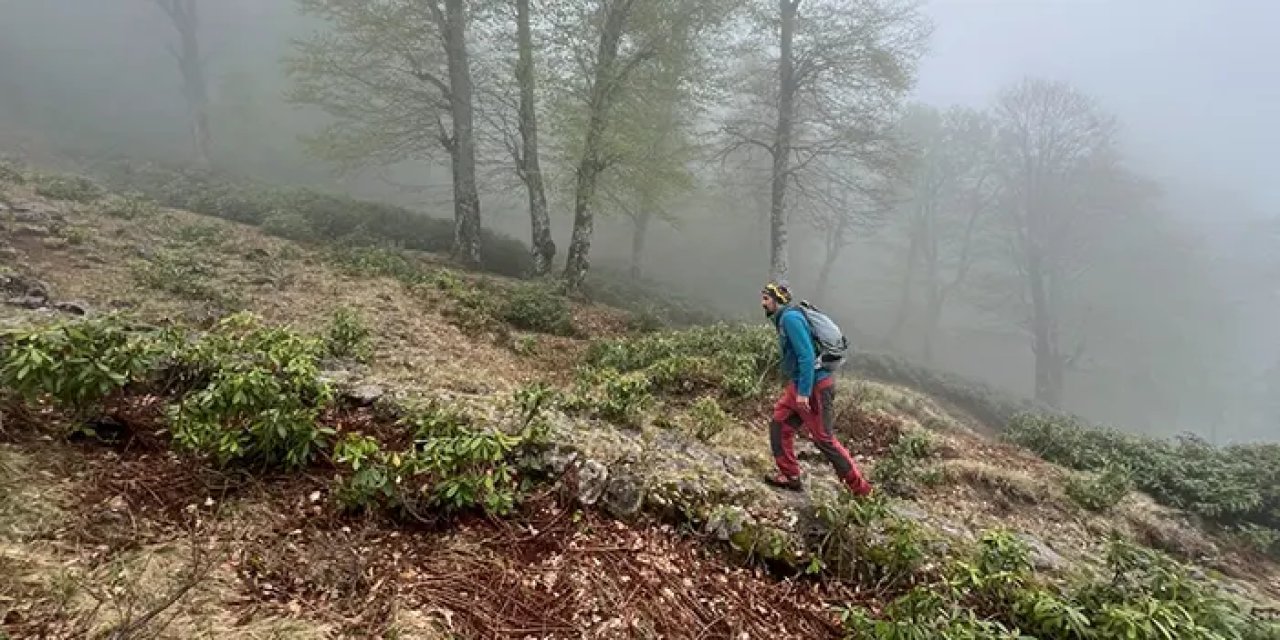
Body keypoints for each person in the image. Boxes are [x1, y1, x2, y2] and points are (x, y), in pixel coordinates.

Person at [760, 281, 872, 496]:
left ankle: (861, 490)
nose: (762, 303)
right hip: (800, 383)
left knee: (824, 439)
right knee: (780, 425)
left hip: (815, 386)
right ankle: (790, 476)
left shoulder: (790, 318)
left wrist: (803, 392)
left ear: (776, 300)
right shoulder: (784, 318)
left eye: (766, 298)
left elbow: (806, 355)